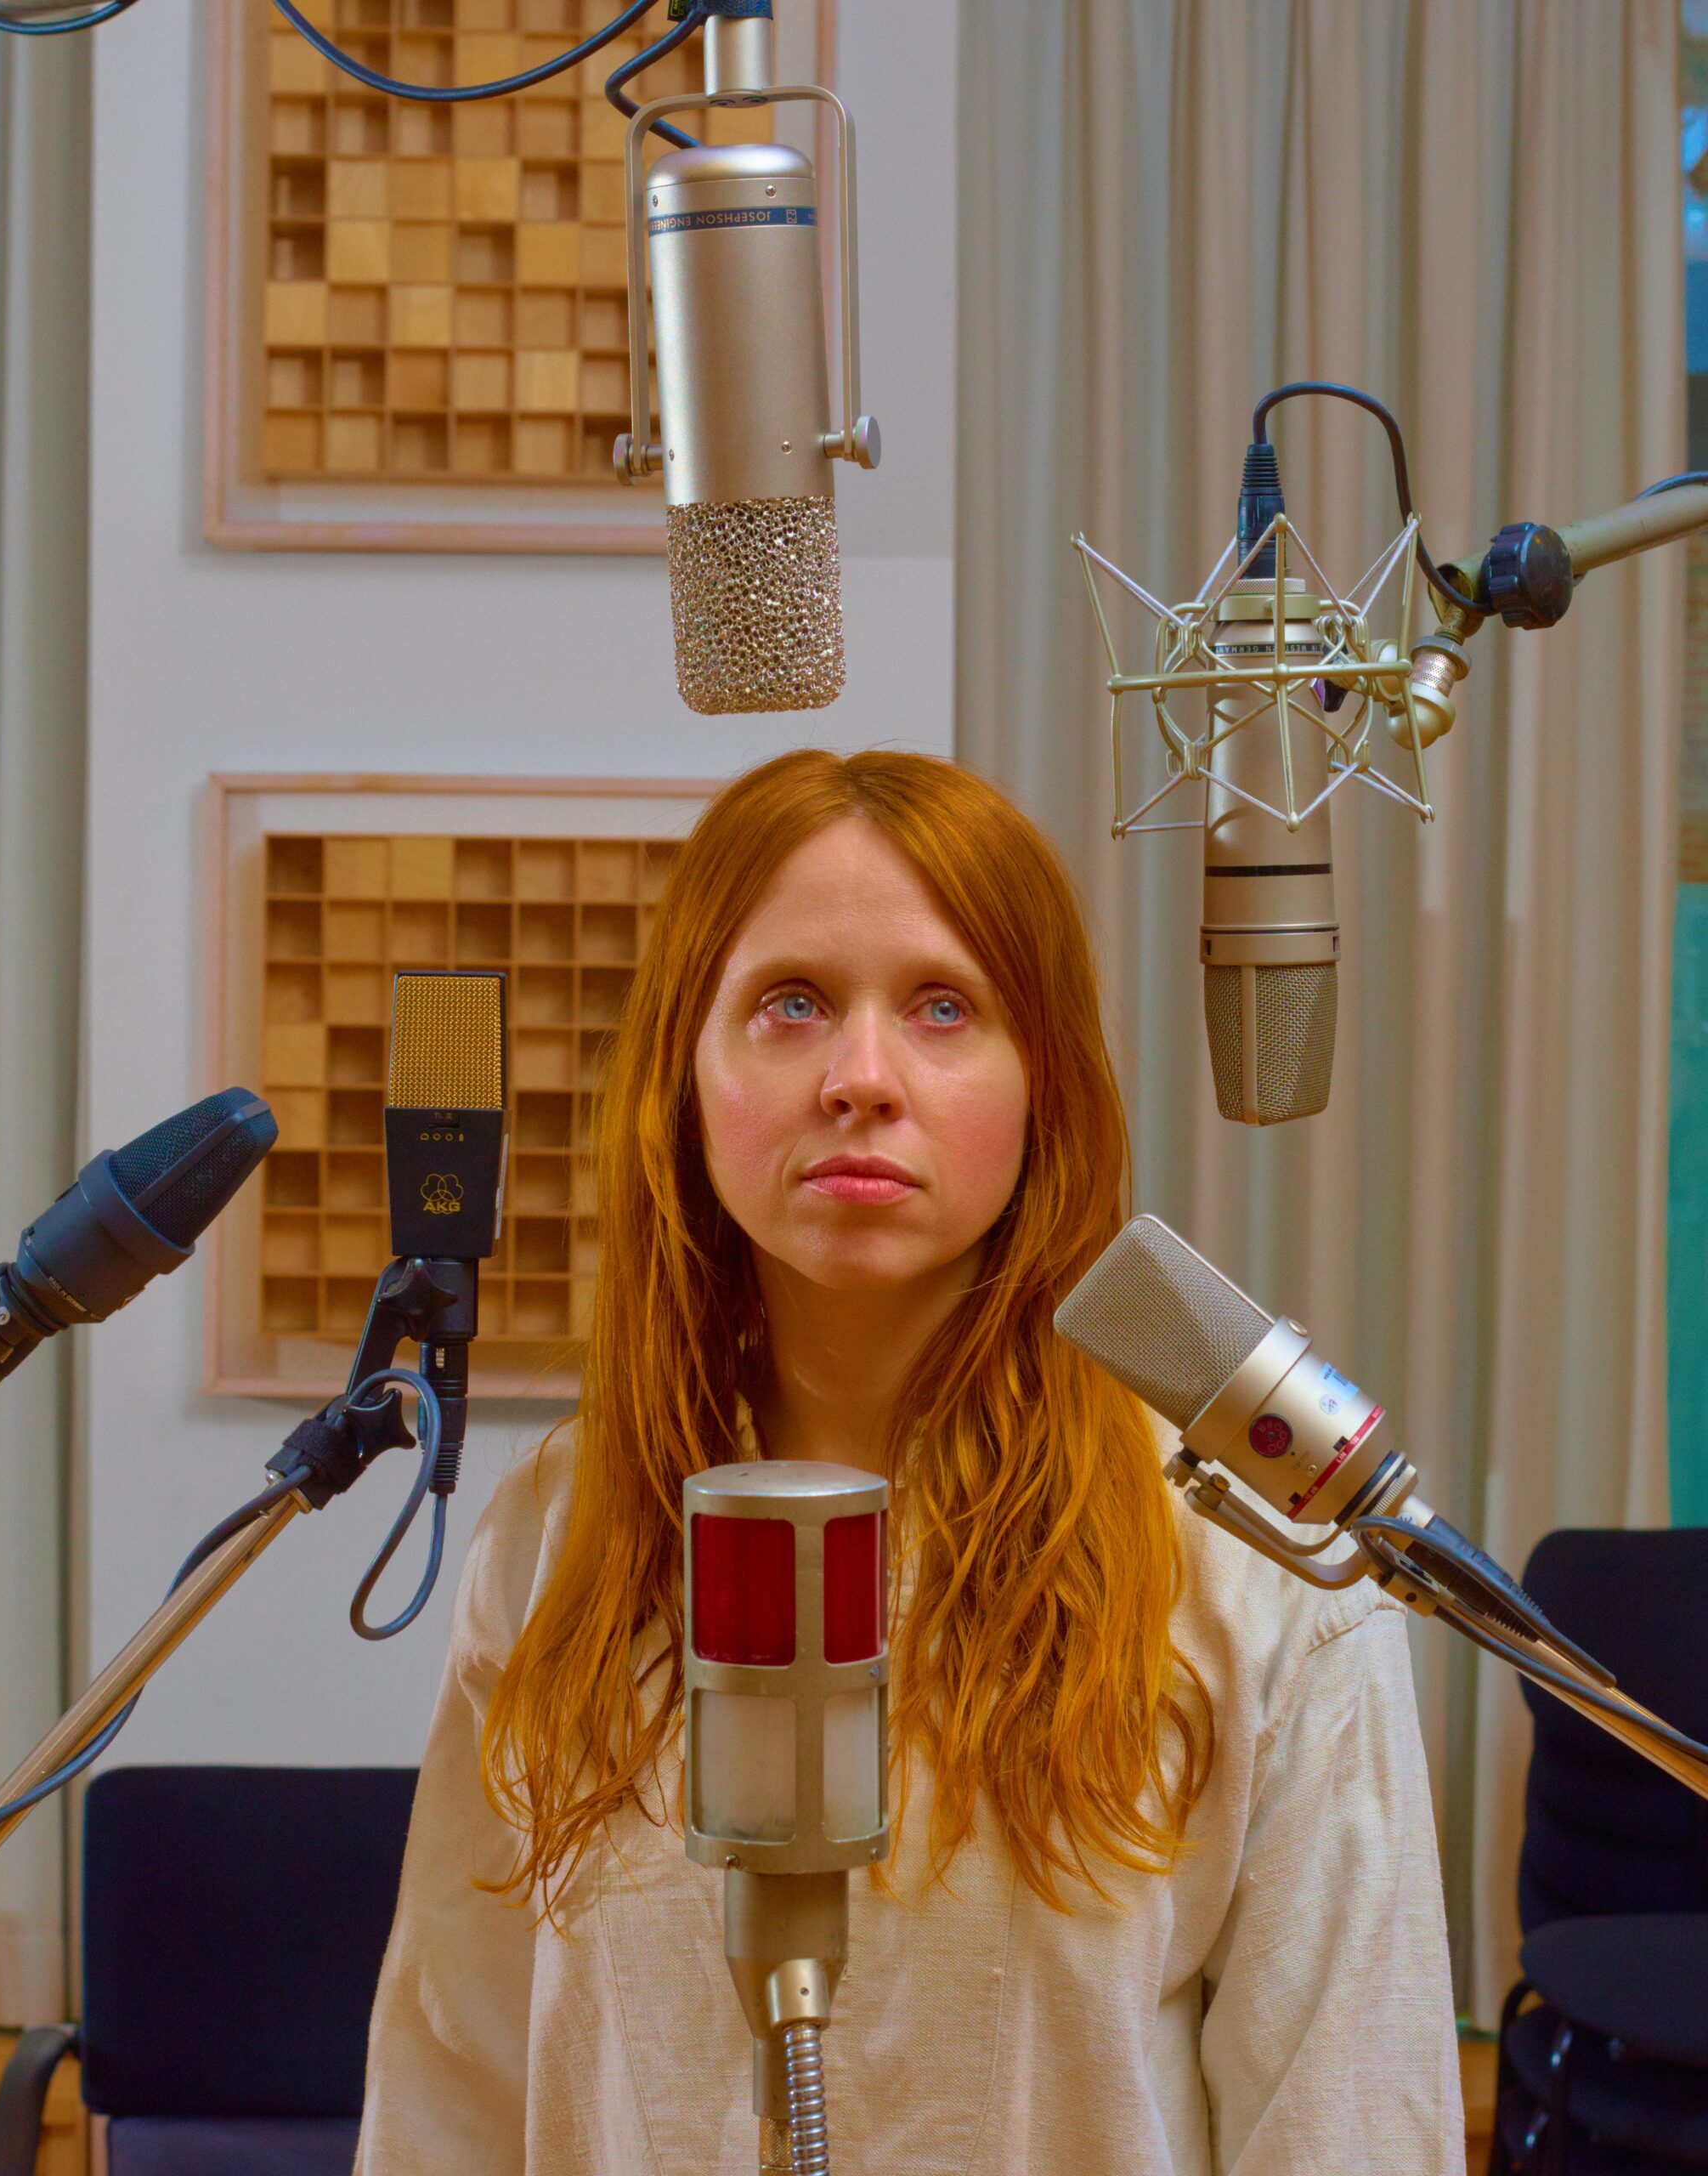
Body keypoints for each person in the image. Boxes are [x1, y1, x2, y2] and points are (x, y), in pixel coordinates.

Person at [355, 750, 1463, 2176]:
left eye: (944, 1008)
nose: (861, 1081)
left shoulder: (1260, 1567)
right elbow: (455, 2084)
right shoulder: (554, 1536)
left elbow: (1353, 2127)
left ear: (1043, 1084)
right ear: (687, 1076)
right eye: (791, 1005)